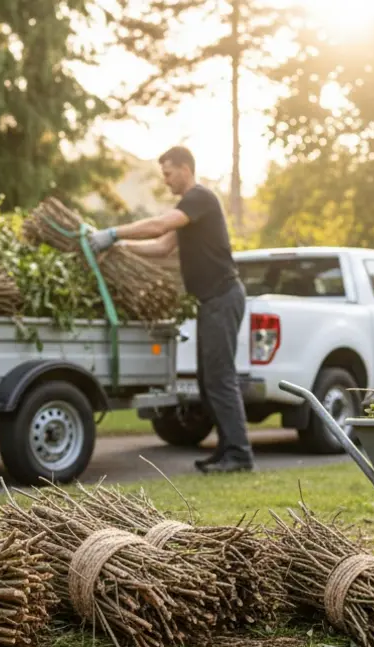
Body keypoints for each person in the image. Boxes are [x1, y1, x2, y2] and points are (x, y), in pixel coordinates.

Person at [87, 146, 254, 474]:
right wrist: (119, 248)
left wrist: (112, 232)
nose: (165, 181)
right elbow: (163, 247)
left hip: (223, 296)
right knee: (209, 380)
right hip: (211, 302)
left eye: (168, 173)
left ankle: (240, 455)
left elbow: (159, 226)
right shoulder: (190, 209)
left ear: (185, 169)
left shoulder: (199, 199)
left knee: (220, 379)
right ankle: (226, 451)